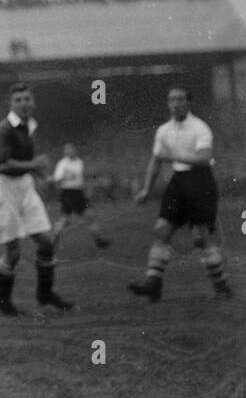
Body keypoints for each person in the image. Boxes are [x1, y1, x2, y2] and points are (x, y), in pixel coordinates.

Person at [128, 86, 231, 302]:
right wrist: (146, 189)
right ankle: (152, 285)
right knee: (162, 230)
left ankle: (222, 287)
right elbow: (156, 160)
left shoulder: (200, 128)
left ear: (188, 103)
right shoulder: (163, 130)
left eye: (180, 99)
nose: (175, 104)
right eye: (171, 100)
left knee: (201, 237)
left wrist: (176, 156)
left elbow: (205, 158)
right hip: (179, 181)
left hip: (201, 181)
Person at [0, 83, 73, 315]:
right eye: (18, 100)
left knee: (46, 242)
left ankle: (45, 294)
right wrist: (34, 165)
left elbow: (26, 160)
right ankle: (1, 301)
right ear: (11, 105)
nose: (23, 103)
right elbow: (0, 163)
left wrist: (45, 176)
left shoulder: (29, 126)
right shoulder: (4, 128)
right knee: (13, 253)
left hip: (23, 185)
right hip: (2, 187)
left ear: (33, 103)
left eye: (27, 99)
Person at [50, 144, 111, 249]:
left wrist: (84, 189)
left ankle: (99, 240)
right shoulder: (63, 164)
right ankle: (52, 241)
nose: (69, 152)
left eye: (70, 150)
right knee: (66, 219)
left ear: (74, 150)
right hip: (68, 193)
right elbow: (57, 178)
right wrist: (66, 176)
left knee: (89, 216)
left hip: (78, 193)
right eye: (67, 151)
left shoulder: (79, 162)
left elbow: (80, 178)